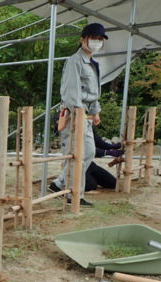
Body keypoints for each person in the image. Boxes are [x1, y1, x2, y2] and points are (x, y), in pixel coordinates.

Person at [49, 22, 109, 206]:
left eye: (100, 39)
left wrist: (95, 112)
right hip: (75, 113)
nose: (96, 42)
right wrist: (77, 113)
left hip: (86, 114)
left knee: (88, 152)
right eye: (93, 38)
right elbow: (70, 91)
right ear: (83, 39)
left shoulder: (93, 63)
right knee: (78, 153)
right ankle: (74, 194)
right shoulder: (75, 61)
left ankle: (60, 184)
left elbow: (92, 93)